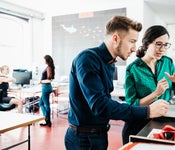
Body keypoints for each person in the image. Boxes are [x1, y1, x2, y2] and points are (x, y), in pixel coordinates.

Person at [64, 16, 169, 150]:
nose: (134, 48)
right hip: (83, 139)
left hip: (99, 135)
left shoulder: (110, 63)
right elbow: (99, 105)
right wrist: (147, 111)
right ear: (115, 38)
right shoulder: (87, 59)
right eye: (132, 41)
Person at [122, 25, 175, 144]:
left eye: (165, 45)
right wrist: (156, 93)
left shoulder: (167, 62)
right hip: (139, 125)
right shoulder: (133, 69)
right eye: (158, 44)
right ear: (147, 44)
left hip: (163, 122)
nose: (162, 49)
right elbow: (132, 104)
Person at [39, 55, 55, 127]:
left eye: (44, 59)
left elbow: (49, 80)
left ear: (47, 60)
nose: (43, 60)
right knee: (41, 103)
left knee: (46, 104)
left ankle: (47, 120)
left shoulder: (48, 67)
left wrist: (41, 81)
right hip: (47, 87)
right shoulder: (49, 67)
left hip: (46, 87)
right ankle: (47, 119)